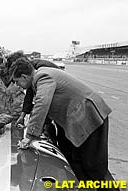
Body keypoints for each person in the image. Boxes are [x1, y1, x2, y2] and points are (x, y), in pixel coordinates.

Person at [12, 57, 117, 189]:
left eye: (17, 82)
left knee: (94, 167)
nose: (17, 85)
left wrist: (29, 137)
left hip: (89, 117)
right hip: (78, 120)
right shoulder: (39, 76)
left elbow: (42, 104)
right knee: (77, 162)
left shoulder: (42, 76)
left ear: (24, 76)